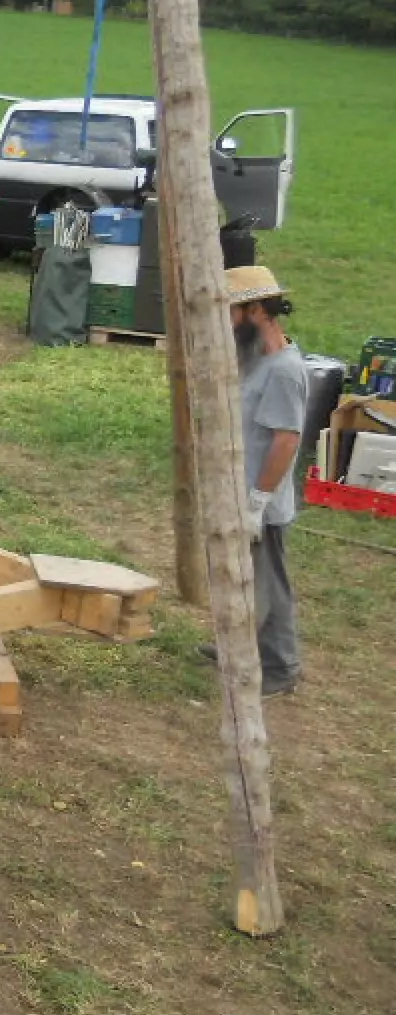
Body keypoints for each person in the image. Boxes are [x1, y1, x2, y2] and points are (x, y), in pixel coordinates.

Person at [200, 266, 310, 699]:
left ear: (258, 311)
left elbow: (285, 440)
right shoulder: (256, 358)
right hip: (237, 491)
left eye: (233, 312)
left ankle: (281, 668)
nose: (227, 321)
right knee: (238, 578)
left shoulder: (284, 370)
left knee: (268, 583)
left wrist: (257, 503)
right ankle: (237, 648)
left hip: (260, 500)